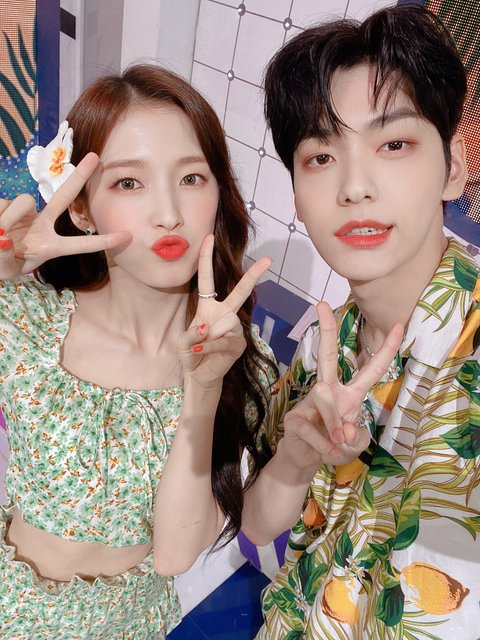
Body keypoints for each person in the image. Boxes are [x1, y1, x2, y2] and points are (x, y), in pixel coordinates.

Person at [0, 64, 276, 639]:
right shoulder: (28, 320)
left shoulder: (240, 362)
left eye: (192, 178)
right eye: (129, 183)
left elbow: (175, 555)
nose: (168, 213)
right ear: (81, 208)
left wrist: (203, 390)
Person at [241, 5, 480, 638]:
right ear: (297, 195)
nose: (354, 187)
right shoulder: (325, 346)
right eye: (321, 157)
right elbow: (258, 524)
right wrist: (295, 458)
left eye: (394, 144)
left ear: (454, 167)